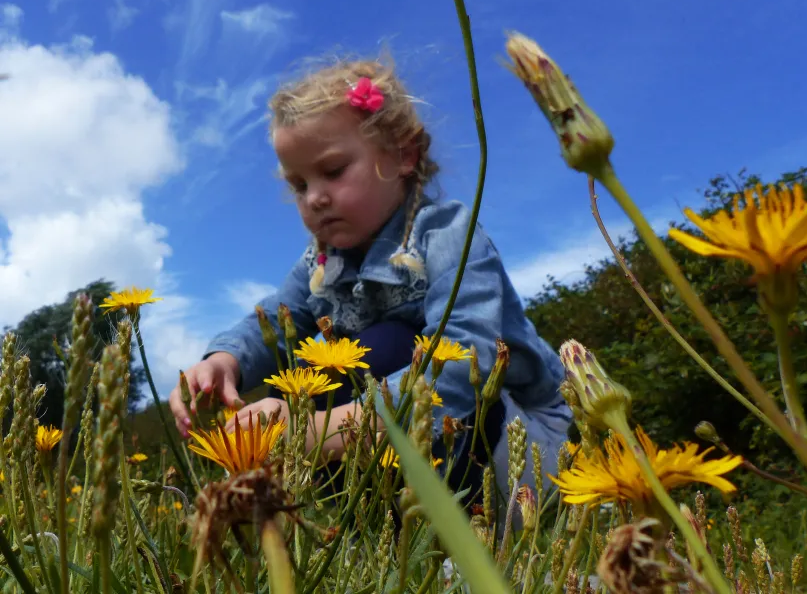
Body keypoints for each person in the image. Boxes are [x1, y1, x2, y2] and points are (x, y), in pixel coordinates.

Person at [167, 55, 572, 508]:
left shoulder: (447, 233)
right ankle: (365, 534)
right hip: (394, 440)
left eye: (334, 171)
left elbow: (465, 365)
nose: (315, 198)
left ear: (403, 155)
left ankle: (458, 547)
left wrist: (312, 431)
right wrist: (224, 362)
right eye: (299, 185)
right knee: (303, 372)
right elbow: (278, 317)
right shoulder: (321, 263)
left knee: (386, 348)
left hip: (520, 441)